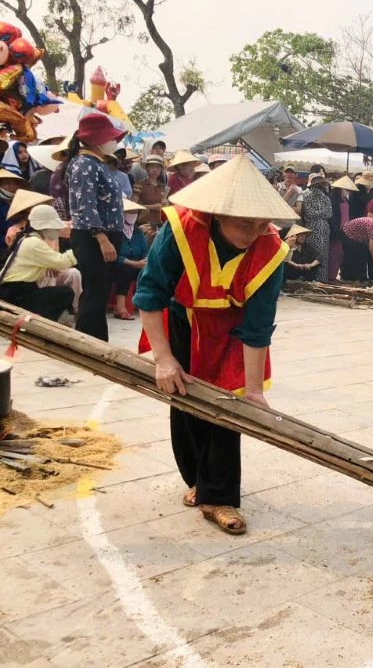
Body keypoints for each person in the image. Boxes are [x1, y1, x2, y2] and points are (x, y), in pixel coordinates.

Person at [134, 155, 297, 536]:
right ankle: (196, 480)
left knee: (229, 409)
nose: (255, 231)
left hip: (231, 329)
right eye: (244, 222)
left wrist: (253, 391)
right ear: (216, 214)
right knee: (183, 397)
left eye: (262, 223)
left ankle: (219, 497)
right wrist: (164, 359)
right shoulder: (180, 230)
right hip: (182, 318)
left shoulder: (271, 249)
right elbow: (149, 293)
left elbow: (258, 327)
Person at [66, 112, 127, 341]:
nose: (114, 142)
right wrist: (101, 238)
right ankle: (92, 343)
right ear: (97, 139)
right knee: (94, 290)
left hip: (106, 233)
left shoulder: (97, 163)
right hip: (95, 236)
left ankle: (90, 341)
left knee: (99, 291)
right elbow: (86, 205)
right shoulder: (84, 164)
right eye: (110, 137)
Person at [0, 205, 76, 322]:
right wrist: (79, 249)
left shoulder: (28, 239)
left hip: (17, 291)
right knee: (65, 293)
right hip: (15, 294)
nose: (58, 231)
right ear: (44, 228)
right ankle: (43, 325)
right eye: (54, 228)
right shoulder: (33, 242)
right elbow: (61, 261)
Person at [110, 199, 149, 320]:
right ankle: (120, 308)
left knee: (150, 271)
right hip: (119, 264)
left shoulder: (137, 232)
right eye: (129, 212)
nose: (132, 215)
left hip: (138, 263)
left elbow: (145, 251)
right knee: (125, 271)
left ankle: (148, 306)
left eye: (135, 212)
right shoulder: (115, 231)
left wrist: (145, 261)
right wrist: (133, 263)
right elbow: (115, 254)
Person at [300, 173, 333, 282]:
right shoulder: (306, 196)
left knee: (324, 254)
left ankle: (323, 279)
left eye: (321, 185)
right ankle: (313, 277)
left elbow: (329, 213)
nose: (319, 187)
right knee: (314, 253)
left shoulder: (326, 198)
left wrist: (318, 213)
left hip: (324, 229)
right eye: (317, 185)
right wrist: (321, 213)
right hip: (312, 229)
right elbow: (308, 213)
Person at [328, 175, 357, 282]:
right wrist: (336, 230)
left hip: (345, 230)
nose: (348, 191)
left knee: (340, 254)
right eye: (346, 189)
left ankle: (334, 275)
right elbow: (333, 216)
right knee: (335, 254)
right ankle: (331, 277)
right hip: (336, 230)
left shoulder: (345, 199)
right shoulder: (333, 199)